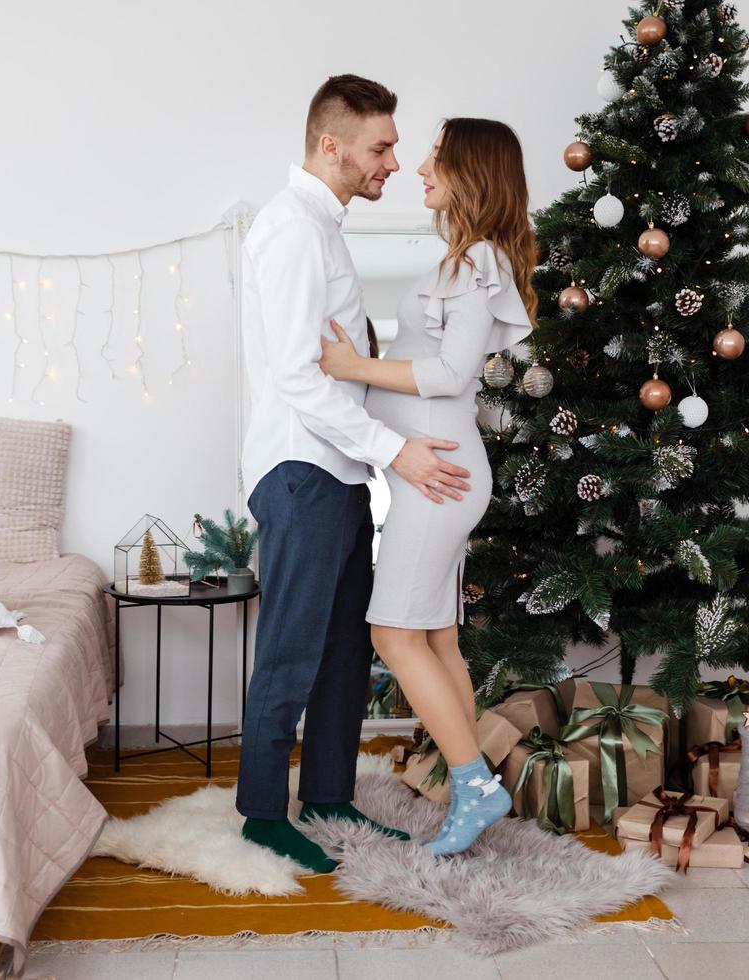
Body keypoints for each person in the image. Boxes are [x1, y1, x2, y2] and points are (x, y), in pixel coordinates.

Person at [236, 74, 472, 874]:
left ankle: (330, 794)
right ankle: (262, 812)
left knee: (344, 648)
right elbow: (301, 377)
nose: (394, 162)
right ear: (331, 145)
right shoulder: (293, 231)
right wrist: (395, 449)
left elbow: (344, 365)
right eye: (381, 146)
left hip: (335, 473)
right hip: (302, 470)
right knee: (292, 651)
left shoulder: (325, 228)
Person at [318, 117, 536, 854]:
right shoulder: (468, 261)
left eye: (437, 159)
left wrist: (354, 371)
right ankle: (464, 783)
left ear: (473, 172)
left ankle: (474, 784)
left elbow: (450, 376)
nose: (418, 169)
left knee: (392, 633)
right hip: (438, 474)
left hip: (438, 479)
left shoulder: (477, 265)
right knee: (435, 635)